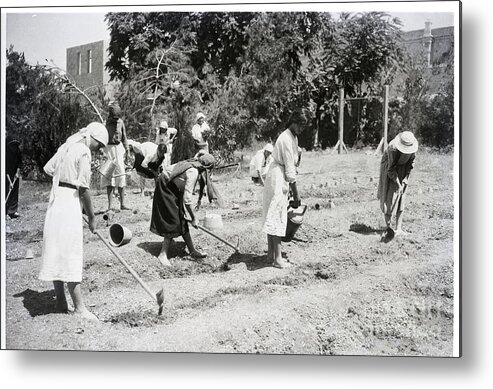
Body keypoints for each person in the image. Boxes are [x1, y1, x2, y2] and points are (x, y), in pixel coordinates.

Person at [39, 122, 108, 321]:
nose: (99, 149)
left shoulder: (68, 144)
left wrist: (65, 178)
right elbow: (84, 188)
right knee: (71, 251)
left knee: (58, 249)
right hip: (69, 202)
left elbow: (48, 168)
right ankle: (79, 307)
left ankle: (61, 300)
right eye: (100, 144)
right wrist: (93, 217)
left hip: (57, 199)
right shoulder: (84, 151)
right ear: (92, 138)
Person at [150, 153, 216, 267]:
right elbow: (187, 199)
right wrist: (194, 218)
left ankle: (192, 250)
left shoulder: (194, 165)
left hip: (173, 187)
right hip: (165, 187)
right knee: (173, 219)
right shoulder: (193, 172)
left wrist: (188, 214)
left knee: (181, 217)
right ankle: (163, 254)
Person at [262, 110, 306, 269]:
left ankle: (270, 255)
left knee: (273, 212)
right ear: (293, 122)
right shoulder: (286, 139)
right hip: (278, 177)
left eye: (303, 126)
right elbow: (290, 171)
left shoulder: (293, 137)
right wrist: (296, 196)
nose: (301, 129)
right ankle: (277, 258)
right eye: (300, 125)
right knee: (277, 215)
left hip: (279, 175)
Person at [377, 131, 418, 236]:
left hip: (403, 169)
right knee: (390, 196)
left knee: (402, 197)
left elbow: (410, 165)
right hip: (389, 167)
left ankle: (398, 228)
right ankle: (388, 227)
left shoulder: (413, 149)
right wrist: (398, 184)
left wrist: (404, 180)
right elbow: (390, 169)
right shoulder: (392, 148)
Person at [102, 102, 131, 211]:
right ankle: (110, 206)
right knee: (110, 178)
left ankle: (122, 204)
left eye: (117, 118)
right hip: (108, 150)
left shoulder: (121, 122)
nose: (115, 120)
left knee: (121, 176)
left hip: (119, 150)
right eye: (114, 118)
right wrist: (102, 151)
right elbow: (101, 139)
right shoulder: (105, 123)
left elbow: (124, 138)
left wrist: (127, 151)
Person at [5, 136, 22, 219]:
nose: (14, 148)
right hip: (6, 175)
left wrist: (17, 173)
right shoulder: (6, 154)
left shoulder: (18, 151)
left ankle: (12, 211)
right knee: (6, 190)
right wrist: (10, 182)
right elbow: (5, 170)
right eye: (13, 146)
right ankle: (5, 211)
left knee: (14, 191)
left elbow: (20, 163)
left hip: (15, 173)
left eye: (15, 145)